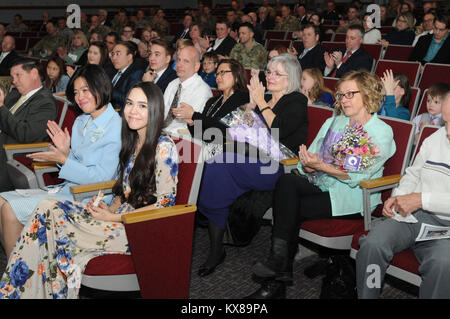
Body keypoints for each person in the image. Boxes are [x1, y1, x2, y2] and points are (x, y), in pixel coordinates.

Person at [0, 81, 178, 299]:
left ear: (155, 109)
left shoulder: (163, 147)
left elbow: (165, 205)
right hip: (120, 218)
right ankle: (25, 291)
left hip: (138, 231)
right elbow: (124, 191)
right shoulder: (133, 141)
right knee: (46, 209)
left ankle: (16, 292)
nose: (133, 111)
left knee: (49, 221)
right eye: (130, 103)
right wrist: (108, 208)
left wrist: (114, 218)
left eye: (142, 106)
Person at [246, 70, 396, 299]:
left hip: (350, 197)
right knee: (287, 180)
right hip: (321, 183)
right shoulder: (334, 121)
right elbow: (311, 158)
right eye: (341, 95)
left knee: (288, 208)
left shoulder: (380, 132)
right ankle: (278, 266)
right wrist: (308, 164)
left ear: (367, 95)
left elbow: (354, 176)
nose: (343, 99)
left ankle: (276, 280)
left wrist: (320, 166)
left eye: (350, 94)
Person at [195, 54, 308, 277]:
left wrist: (261, 102)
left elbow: (280, 130)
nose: (271, 76)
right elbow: (241, 129)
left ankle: (214, 237)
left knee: (218, 165)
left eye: (277, 73)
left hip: (279, 166)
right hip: (250, 157)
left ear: (291, 77)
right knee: (214, 168)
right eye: (270, 71)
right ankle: (216, 249)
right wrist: (251, 105)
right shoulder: (263, 98)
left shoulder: (296, 100)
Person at [0, 64, 122, 260]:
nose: (80, 97)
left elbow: (103, 178)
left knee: (9, 209)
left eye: (85, 90)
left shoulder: (115, 126)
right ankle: (27, 262)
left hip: (91, 198)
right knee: (1, 201)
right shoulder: (82, 120)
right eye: (76, 92)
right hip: (69, 189)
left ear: (101, 87)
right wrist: (65, 154)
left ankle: (18, 275)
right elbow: (76, 162)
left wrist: (64, 159)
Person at [356, 89, 450, 299]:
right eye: (446, 123)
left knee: (443, 264)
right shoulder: (436, 138)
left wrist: (420, 199)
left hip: (446, 229)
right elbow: (412, 174)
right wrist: (398, 197)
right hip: (414, 217)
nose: (448, 131)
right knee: (373, 244)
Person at [0, 58, 59, 192]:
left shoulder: (45, 102)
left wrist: (1, 107)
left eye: (18, 75)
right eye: (12, 77)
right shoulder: (15, 95)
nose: (13, 81)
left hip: (12, 154)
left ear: (33, 73)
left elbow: (26, 134)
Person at [180, 59, 249, 149]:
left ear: (236, 76)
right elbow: (201, 135)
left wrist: (194, 115)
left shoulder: (244, 99)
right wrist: (192, 124)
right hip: (206, 149)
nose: (218, 77)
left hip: (230, 152)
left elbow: (226, 129)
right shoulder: (212, 101)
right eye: (217, 74)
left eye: (222, 73)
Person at [164, 45, 212, 136]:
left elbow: (193, 127)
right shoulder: (173, 84)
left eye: (186, 61)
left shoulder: (202, 90)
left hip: (182, 139)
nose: (179, 64)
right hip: (163, 132)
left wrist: (165, 134)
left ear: (196, 66)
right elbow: (162, 112)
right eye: (179, 59)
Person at [107, 41, 144, 112]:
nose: (114, 58)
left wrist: (108, 90)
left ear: (129, 57)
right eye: (112, 54)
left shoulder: (136, 73)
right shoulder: (111, 70)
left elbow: (129, 100)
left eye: (118, 54)